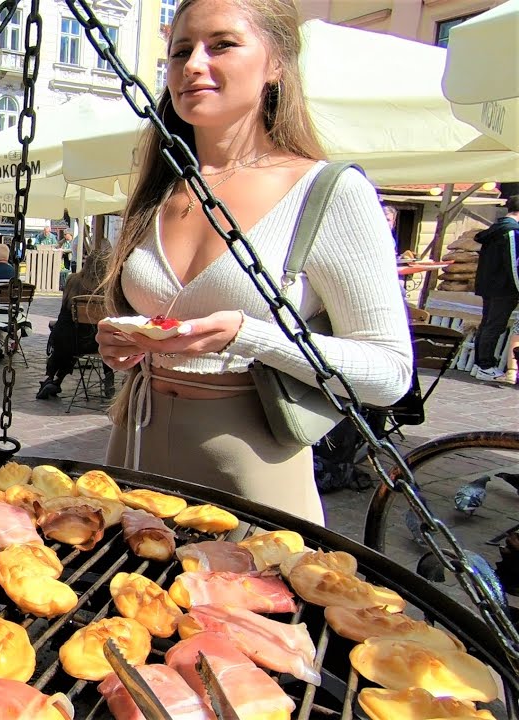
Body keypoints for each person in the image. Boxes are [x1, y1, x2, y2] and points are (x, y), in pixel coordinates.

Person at [94, 0, 412, 526]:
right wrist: (122, 344)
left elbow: (390, 375)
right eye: (179, 51)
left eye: (222, 44)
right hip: (134, 447)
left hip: (252, 466)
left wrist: (249, 335)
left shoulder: (326, 192)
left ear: (277, 62)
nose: (193, 64)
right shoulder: (158, 189)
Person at [38, 256, 116, 400]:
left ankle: (51, 378)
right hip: (94, 342)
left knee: (66, 340)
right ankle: (108, 377)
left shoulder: (72, 280)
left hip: (67, 338)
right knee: (106, 338)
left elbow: (63, 311)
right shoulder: (108, 286)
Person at [470, 194, 519, 383]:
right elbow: (514, 263)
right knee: (494, 326)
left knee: (487, 325)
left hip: (489, 285)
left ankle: (479, 364)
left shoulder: (496, 228)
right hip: (504, 287)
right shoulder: (511, 231)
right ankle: (486, 365)